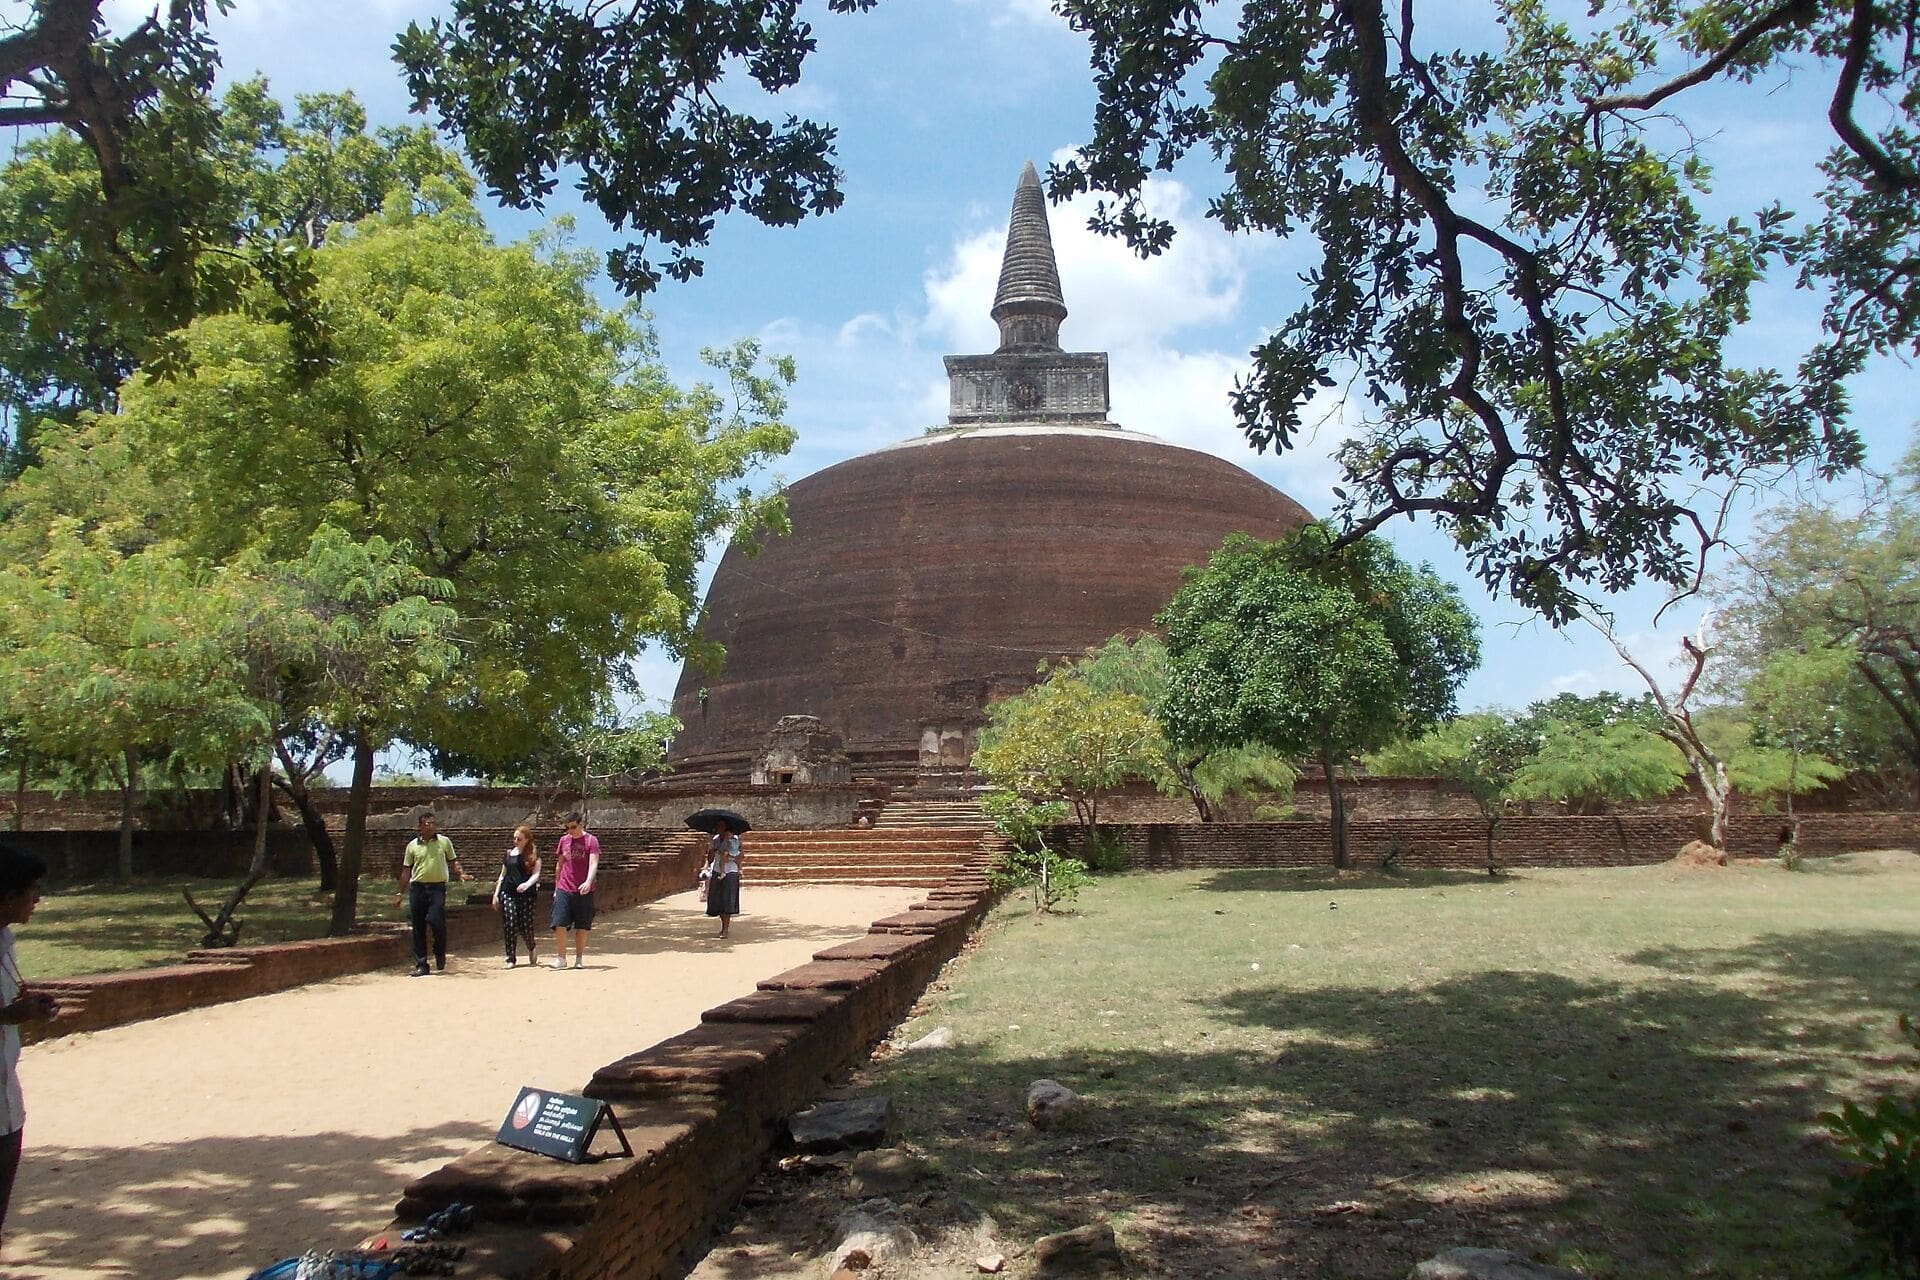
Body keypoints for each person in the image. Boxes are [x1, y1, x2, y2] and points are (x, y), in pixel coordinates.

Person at [0, 844, 57, 1246]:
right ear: (6, 896)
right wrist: (10, 1015)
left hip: (6, 1106)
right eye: (30, 889)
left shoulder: (5, 943)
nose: (36, 899)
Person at [396, 813, 466, 976]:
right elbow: (406, 870)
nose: (430, 826)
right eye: (426, 823)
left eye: (432, 823)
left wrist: (460, 873)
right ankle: (421, 964)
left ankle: (439, 952)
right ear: (420, 826)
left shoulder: (444, 842)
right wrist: (399, 892)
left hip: (437, 888)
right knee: (418, 926)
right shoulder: (412, 846)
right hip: (418, 888)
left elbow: (453, 860)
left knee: (436, 921)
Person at [549, 812, 600, 970]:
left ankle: (579, 958)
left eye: (573, 827)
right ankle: (561, 958)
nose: (570, 830)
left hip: (584, 890)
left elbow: (593, 864)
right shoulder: (564, 840)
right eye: (567, 827)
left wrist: (588, 881)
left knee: (582, 926)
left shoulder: (591, 841)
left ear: (581, 824)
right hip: (565, 887)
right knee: (559, 922)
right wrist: (557, 887)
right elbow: (560, 865)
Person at [492, 824, 542, 967]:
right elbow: (502, 875)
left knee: (525, 926)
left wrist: (527, 884)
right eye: (514, 838)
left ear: (526, 840)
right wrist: (496, 894)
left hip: (527, 895)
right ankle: (510, 957)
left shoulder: (533, 855)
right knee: (510, 921)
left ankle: (531, 946)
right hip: (508, 892)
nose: (515, 841)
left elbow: (536, 874)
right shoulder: (509, 854)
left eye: (519, 839)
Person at [705, 818, 743, 939]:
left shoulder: (735, 840)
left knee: (727, 900)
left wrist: (731, 856)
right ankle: (723, 924)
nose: (719, 828)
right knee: (718, 900)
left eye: (721, 826)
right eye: (718, 826)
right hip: (717, 870)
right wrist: (712, 850)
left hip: (731, 871)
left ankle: (725, 928)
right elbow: (710, 859)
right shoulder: (715, 840)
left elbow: (741, 856)